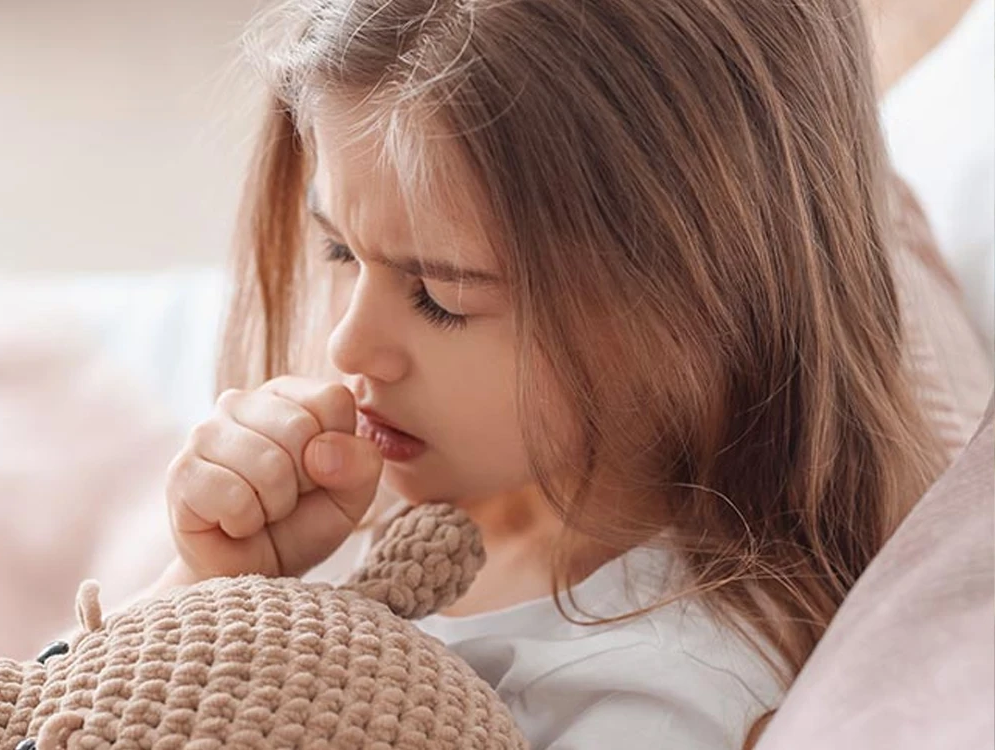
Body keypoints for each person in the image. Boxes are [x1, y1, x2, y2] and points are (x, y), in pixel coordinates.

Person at [153, 1, 946, 747]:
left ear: (689, 306)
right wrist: (202, 583)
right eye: (340, 251)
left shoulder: (663, 691)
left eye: (440, 297)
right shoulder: (373, 502)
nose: (349, 348)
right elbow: (61, 707)